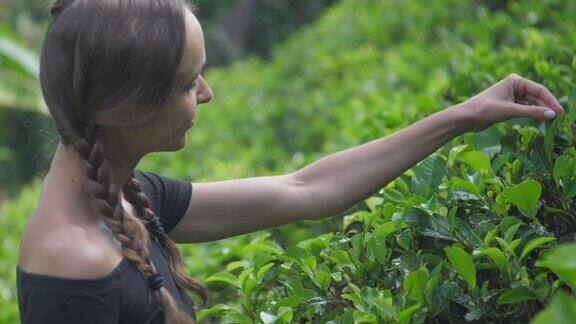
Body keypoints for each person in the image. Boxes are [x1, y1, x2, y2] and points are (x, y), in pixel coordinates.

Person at [15, 0, 565, 323]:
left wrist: (466, 115)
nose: (206, 93)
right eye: (188, 82)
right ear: (125, 107)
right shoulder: (71, 263)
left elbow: (305, 189)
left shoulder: (126, 195)